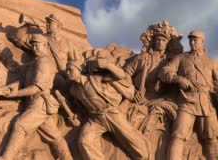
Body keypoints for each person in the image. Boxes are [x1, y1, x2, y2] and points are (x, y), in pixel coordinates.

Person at [0, 33, 72, 160]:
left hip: (40, 102)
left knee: (20, 125)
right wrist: (6, 89)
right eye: (33, 45)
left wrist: (15, 94)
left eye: (37, 45)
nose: (34, 48)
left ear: (45, 45)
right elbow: (23, 81)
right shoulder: (34, 62)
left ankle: (6, 157)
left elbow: (37, 87)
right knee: (55, 137)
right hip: (32, 102)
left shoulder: (45, 62)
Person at [66, 52, 148, 160]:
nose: (67, 73)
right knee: (85, 140)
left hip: (110, 113)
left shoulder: (94, 78)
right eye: (67, 70)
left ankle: (145, 156)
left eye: (70, 70)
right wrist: (75, 116)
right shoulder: (73, 90)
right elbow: (80, 107)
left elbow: (121, 75)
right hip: (95, 119)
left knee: (130, 138)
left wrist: (107, 65)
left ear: (78, 69)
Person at [159, 30, 218, 159]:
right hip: (187, 101)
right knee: (178, 135)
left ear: (202, 42)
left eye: (196, 40)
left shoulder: (212, 61)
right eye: (190, 40)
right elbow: (164, 72)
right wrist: (178, 79)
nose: (192, 42)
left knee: (211, 138)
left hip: (207, 103)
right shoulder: (181, 58)